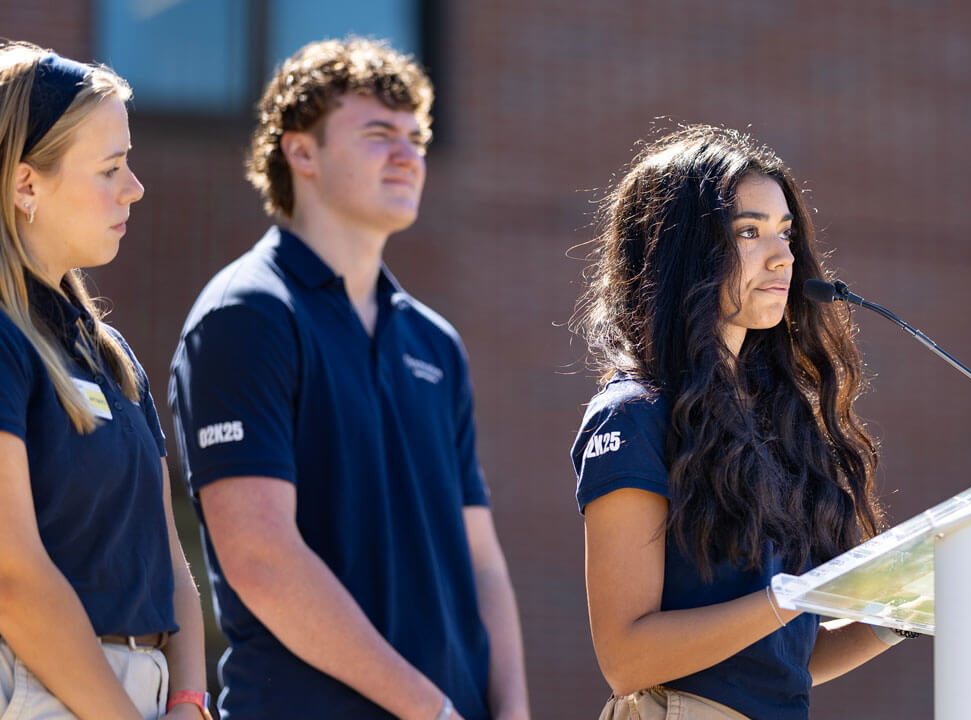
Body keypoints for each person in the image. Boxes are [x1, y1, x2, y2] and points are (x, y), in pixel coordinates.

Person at [168, 38, 529, 720]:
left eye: (415, 137)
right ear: (301, 153)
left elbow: (482, 562)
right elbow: (262, 560)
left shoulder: (435, 344)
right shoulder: (245, 316)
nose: (408, 154)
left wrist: (509, 712)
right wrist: (431, 709)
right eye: (377, 134)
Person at [571, 125, 912, 719]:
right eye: (749, 232)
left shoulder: (774, 421)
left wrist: (905, 612)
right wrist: (789, 598)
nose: (782, 256)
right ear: (682, 253)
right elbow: (624, 657)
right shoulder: (635, 415)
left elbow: (782, 661)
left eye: (785, 232)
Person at [0, 42, 210, 720]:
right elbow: (11, 575)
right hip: (48, 694)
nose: (135, 187)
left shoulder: (111, 353)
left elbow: (170, 561)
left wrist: (187, 697)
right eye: (111, 168)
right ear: (25, 185)